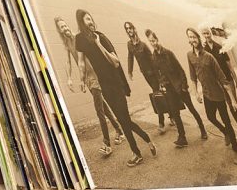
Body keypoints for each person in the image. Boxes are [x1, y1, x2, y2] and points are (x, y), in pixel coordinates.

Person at [74, 10, 148, 163]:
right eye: (87, 18)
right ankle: (144, 141)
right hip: (105, 86)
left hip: (116, 83)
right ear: (82, 22)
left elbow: (116, 62)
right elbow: (81, 61)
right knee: (123, 120)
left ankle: (137, 152)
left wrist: (99, 44)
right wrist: (82, 80)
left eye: (91, 18)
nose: (91, 21)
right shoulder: (79, 39)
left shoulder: (101, 37)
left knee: (124, 119)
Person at [140, 27, 206, 148]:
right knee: (175, 114)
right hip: (169, 90)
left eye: (154, 40)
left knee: (191, 109)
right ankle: (182, 138)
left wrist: (184, 86)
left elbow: (180, 69)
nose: (153, 43)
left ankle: (203, 129)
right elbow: (158, 73)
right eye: (150, 42)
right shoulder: (154, 57)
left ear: (157, 40)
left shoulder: (168, 53)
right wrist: (162, 84)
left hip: (180, 86)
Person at [187, 27, 237, 159]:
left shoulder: (209, 57)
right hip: (206, 94)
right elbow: (193, 77)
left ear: (198, 38)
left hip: (218, 95)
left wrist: (233, 101)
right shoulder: (190, 56)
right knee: (210, 117)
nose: (192, 39)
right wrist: (196, 93)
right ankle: (225, 133)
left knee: (227, 122)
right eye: (190, 37)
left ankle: (236, 150)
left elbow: (223, 80)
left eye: (194, 37)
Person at [204, 27, 237, 141]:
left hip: (228, 80)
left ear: (211, 34)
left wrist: (236, 82)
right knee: (230, 106)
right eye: (204, 34)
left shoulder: (219, 47)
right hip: (218, 83)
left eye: (208, 33)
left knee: (234, 105)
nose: (206, 36)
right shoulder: (204, 49)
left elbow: (229, 66)